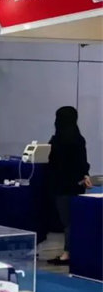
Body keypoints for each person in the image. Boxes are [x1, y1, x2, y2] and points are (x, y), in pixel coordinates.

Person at [47, 106, 92, 265]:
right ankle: (71, 251)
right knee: (74, 219)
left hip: (61, 185)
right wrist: (85, 174)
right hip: (76, 184)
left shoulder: (57, 140)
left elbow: (51, 162)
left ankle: (67, 253)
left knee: (67, 221)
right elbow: (83, 162)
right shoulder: (79, 139)